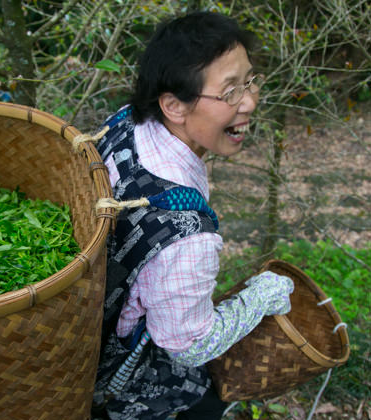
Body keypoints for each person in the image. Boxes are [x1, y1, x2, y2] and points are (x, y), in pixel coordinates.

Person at [92, 11, 295, 420]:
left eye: (250, 82)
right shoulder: (186, 238)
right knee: (203, 400)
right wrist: (259, 297)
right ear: (173, 105)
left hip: (94, 331)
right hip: (119, 386)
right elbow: (189, 344)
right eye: (230, 92)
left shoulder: (126, 122)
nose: (251, 102)